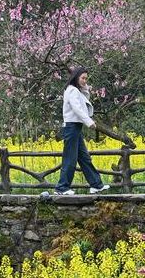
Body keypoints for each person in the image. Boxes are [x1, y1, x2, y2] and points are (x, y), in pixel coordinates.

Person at [55, 67, 110, 195]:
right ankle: (62, 187)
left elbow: (83, 101)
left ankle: (96, 184)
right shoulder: (72, 90)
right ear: (76, 77)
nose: (85, 81)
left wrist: (84, 88)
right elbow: (77, 108)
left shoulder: (76, 90)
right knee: (70, 158)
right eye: (82, 78)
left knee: (84, 158)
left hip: (76, 127)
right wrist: (89, 122)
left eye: (86, 78)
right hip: (71, 127)